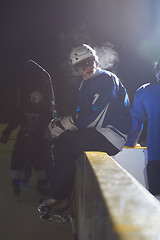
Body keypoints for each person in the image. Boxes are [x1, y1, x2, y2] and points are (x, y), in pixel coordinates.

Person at [38, 44, 131, 219]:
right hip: (99, 133)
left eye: (90, 61)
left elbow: (97, 118)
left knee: (63, 144)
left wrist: (66, 124)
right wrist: (63, 123)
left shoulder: (106, 79)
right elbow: (83, 115)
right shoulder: (82, 83)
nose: (88, 66)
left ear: (96, 60)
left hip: (111, 134)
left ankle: (61, 201)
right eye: (82, 64)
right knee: (59, 143)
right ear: (76, 68)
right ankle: (62, 196)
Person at [1, 90, 52, 196]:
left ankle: (16, 184)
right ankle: (42, 184)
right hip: (37, 143)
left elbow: (13, 123)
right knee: (40, 165)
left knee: (16, 163)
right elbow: (50, 127)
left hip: (22, 142)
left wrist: (6, 135)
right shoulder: (45, 111)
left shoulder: (22, 109)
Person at [126, 59, 160, 199]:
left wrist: (130, 144)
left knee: (157, 204)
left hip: (156, 160)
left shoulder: (145, 91)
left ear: (157, 73)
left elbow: (135, 123)